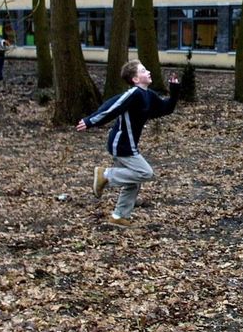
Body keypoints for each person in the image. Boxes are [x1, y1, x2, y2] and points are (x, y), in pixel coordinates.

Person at [76, 60, 181, 227]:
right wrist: (91, 120)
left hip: (127, 144)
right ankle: (105, 175)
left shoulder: (148, 95)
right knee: (146, 173)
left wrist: (174, 91)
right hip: (122, 144)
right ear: (135, 79)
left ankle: (119, 217)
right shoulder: (134, 93)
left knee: (133, 182)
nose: (148, 72)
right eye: (143, 70)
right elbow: (112, 106)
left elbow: (166, 108)